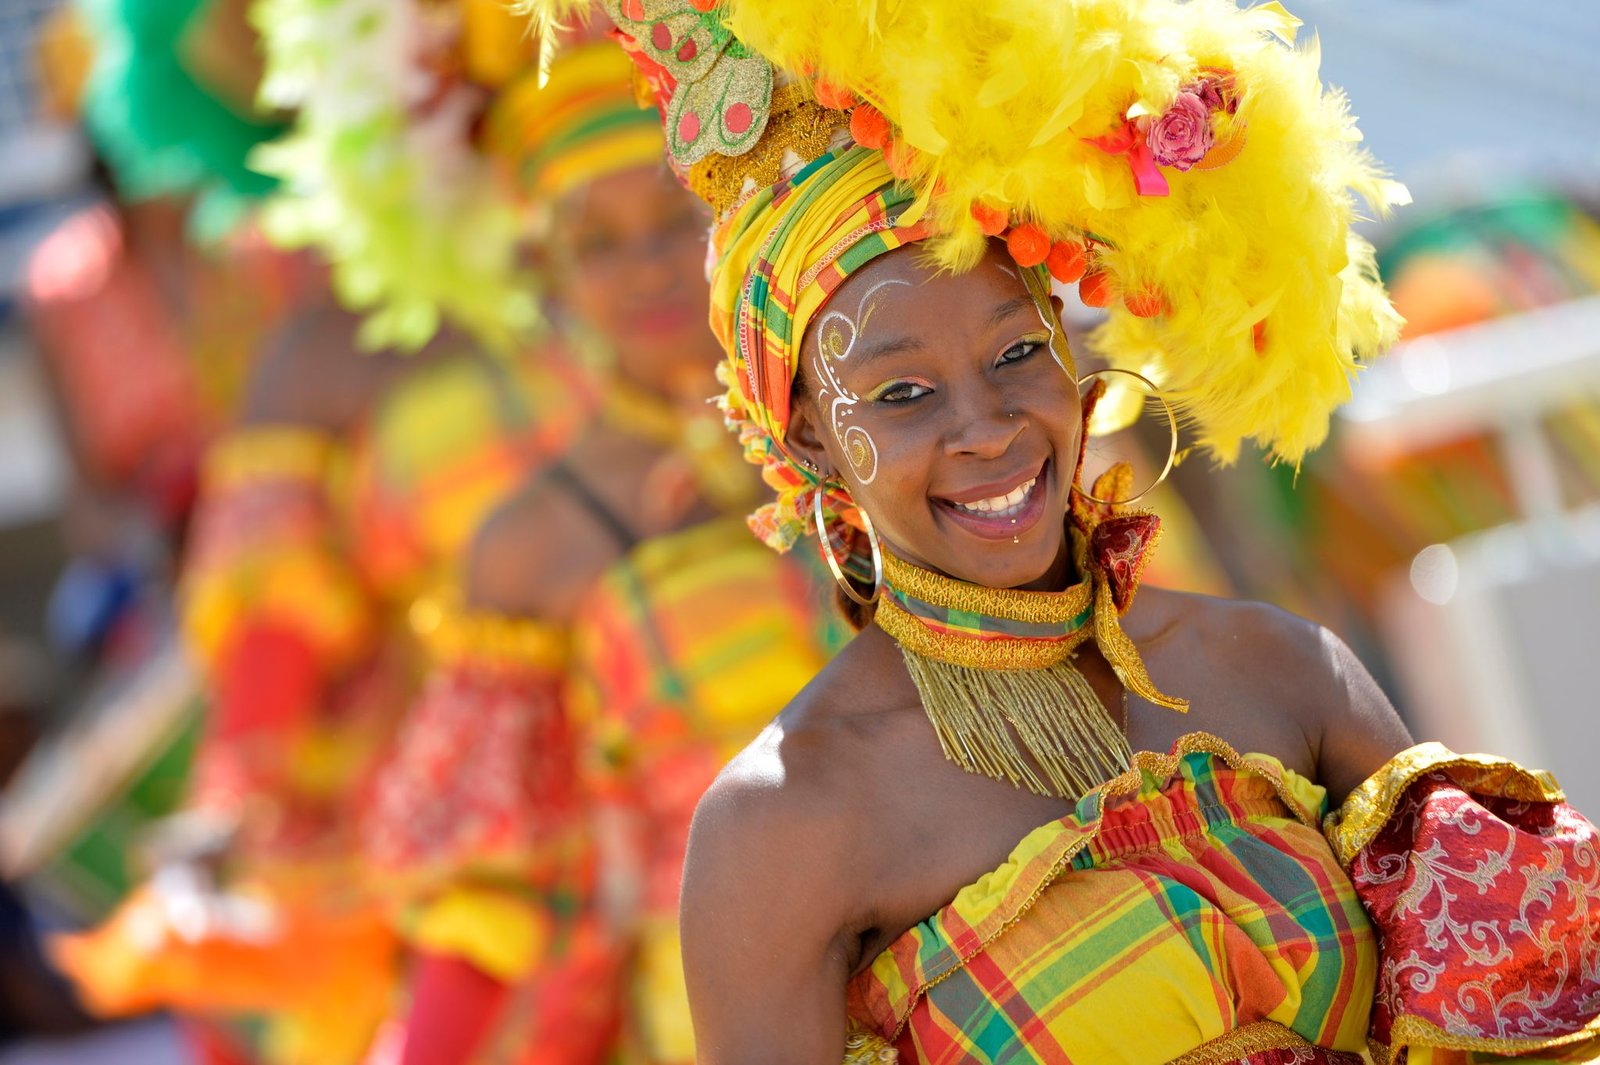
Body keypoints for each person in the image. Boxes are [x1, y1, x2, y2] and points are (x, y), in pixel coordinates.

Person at [517, 0, 1600, 1061]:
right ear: (806, 434)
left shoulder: (1282, 672)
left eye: (1016, 354)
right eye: (902, 394)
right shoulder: (783, 830)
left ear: (1067, 349)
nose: (989, 428)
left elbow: (1524, 1015)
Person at [357, 19, 847, 1059]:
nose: (648, 268)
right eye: (598, 242)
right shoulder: (534, 545)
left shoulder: (888, 412)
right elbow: (494, 890)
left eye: (675, 218)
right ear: (551, 270)